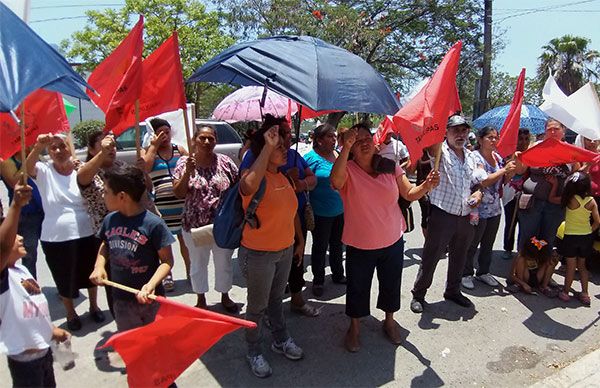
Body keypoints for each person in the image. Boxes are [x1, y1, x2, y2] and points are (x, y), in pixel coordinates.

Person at [331, 123, 439, 352]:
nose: (364, 143)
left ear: (375, 141)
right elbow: (335, 182)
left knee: (391, 283)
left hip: (392, 240)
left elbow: (409, 193)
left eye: (367, 138)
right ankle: (355, 327)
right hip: (360, 243)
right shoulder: (347, 168)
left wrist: (426, 186)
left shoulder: (390, 167)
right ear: (350, 148)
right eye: (356, 141)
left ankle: (389, 321)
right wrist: (345, 147)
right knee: (357, 287)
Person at [239, 123, 306, 378]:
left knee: (276, 300)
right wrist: (267, 146)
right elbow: (246, 188)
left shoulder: (285, 176)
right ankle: (253, 350)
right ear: (264, 150)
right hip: (258, 254)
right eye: (280, 147)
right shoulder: (253, 175)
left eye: (285, 145)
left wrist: (299, 241)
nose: (285, 149)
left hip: (285, 250)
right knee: (256, 307)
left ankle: (280, 339)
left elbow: (292, 214)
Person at [239, 114, 318, 317]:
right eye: (282, 134)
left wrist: (298, 184)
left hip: (289, 234)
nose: (286, 139)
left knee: (286, 282)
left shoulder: (289, 163)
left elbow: (310, 182)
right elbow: (247, 186)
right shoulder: (254, 160)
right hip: (262, 245)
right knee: (261, 301)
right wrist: (268, 149)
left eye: (288, 133)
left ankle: (287, 318)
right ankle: (256, 342)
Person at [25, 134, 104, 330]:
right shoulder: (44, 171)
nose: (59, 151)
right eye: (53, 148)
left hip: (86, 231)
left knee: (90, 272)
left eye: (62, 146)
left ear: (70, 147)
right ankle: (71, 313)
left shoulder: (80, 169)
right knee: (63, 277)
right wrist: (37, 147)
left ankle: (94, 306)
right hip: (55, 236)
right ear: (49, 152)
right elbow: (27, 169)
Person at [410, 115, 483, 314]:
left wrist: (478, 193)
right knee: (431, 257)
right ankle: (418, 294)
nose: (461, 134)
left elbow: (476, 182)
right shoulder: (439, 151)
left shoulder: (472, 156)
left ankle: (453, 291)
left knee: (459, 256)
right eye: (455, 130)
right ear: (446, 132)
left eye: (464, 130)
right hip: (443, 215)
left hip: (465, 216)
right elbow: (430, 141)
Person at [1, 181, 71, 388]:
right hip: (25, 364)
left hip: (44, 353)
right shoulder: (3, 278)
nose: (21, 238)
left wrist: (50, 329)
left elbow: (30, 307)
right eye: (15, 235)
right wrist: (16, 205)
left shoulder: (21, 270)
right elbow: (3, 246)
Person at [89, 165, 175, 331]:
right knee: (132, 342)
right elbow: (105, 245)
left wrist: (151, 285)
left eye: (106, 192)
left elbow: (167, 261)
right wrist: (98, 267)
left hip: (151, 299)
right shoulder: (109, 220)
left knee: (155, 339)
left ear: (122, 196)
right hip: (121, 300)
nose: (102, 195)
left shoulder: (153, 224)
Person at [172, 124, 239, 312]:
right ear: (194, 140)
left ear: (216, 140)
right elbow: (178, 192)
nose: (207, 141)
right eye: (202, 138)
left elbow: (236, 188)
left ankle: (225, 296)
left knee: (223, 262)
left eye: (211, 138)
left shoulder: (225, 162)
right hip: (194, 226)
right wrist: (187, 172)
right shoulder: (184, 163)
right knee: (198, 263)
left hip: (221, 226)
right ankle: (201, 298)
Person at [516, 118, 570, 297]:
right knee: (527, 238)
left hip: (555, 206)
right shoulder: (535, 147)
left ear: (563, 131)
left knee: (547, 240)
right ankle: (519, 275)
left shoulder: (570, 151)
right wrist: (519, 159)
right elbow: (521, 171)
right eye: (549, 129)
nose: (552, 132)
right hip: (533, 202)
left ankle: (543, 277)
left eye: (556, 129)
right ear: (545, 131)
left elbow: (577, 172)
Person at [461, 127, 516, 290]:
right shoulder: (475, 157)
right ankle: (465, 273)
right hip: (478, 210)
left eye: (495, 137)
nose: (493, 140)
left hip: (494, 209)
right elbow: (483, 181)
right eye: (489, 137)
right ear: (480, 139)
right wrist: (503, 170)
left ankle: (483, 271)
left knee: (488, 244)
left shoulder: (497, 157)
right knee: (472, 243)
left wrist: (509, 173)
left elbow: (502, 181)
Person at [142, 118, 190, 290]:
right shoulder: (148, 151)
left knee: (185, 240)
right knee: (164, 244)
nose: (165, 136)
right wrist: (153, 146)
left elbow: (192, 166)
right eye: (160, 133)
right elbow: (144, 169)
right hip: (161, 207)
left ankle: (190, 272)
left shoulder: (179, 150)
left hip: (184, 203)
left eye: (167, 132)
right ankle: (167, 275)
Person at [303, 124, 345, 296]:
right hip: (320, 213)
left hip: (340, 210)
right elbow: (303, 182)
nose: (334, 139)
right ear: (319, 141)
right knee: (320, 247)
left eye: (334, 136)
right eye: (329, 136)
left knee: (337, 245)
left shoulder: (338, 155)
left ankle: (338, 274)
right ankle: (318, 280)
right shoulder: (310, 158)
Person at [557, 172, 600, 306]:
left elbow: (554, 199)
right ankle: (585, 293)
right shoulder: (591, 201)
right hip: (585, 237)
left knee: (570, 266)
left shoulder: (570, 199)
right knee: (582, 265)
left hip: (571, 236)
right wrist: (589, 230)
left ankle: (565, 292)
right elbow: (597, 221)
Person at [0, 152, 45, 278]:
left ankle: (65, 288)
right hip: (26, 213)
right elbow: (14, 181)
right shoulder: (5, 158)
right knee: (29, 254)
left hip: (45, 208)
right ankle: (30, 287)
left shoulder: (31, 151)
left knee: (54, 248)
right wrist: (34, 152)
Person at [501, 128, 531, 260]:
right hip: (511, 194)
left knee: (525, 223)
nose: (523, 142)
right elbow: (508, 173)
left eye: (526, 139)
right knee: (510, 222)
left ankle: (521, 249)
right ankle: (507, 248)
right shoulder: (509, 155)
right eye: (521, 139)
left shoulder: (532, 154)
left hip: (527, 195)